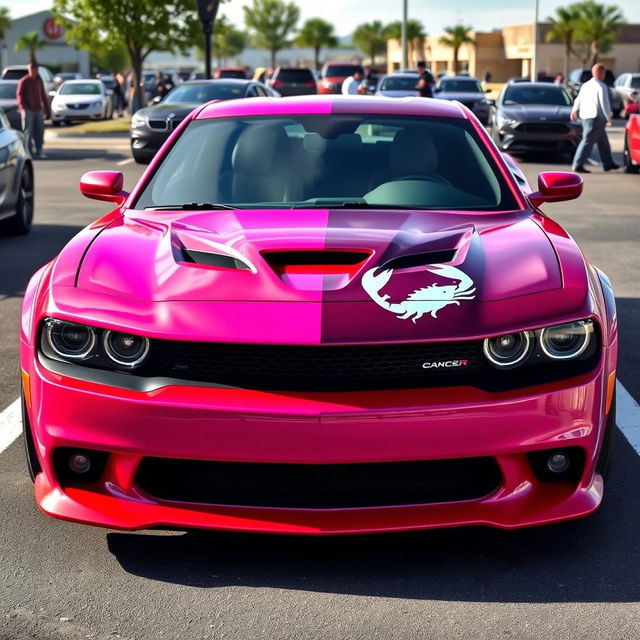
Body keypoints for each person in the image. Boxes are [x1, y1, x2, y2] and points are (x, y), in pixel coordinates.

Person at [570, 63, 620, 174]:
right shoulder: (601, 86)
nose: (604, 75)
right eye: (604, 72)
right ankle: (577, 164)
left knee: (603, 142)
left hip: (585, 116)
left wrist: (574, 110)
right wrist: (609, 118)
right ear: (600, 72)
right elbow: (604, 104)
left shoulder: (586, 85)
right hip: (595, 118)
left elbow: (578, 100)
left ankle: (608, 164)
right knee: (587, 141)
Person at [16, 62, 51, 159]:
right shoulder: (24, 81)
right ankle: (28, 152)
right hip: (28, 110)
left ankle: (39, 150)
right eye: (32, 70)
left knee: (40, 131)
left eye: (36, 70)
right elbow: (19, 96)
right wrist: (23, 108)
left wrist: (47, 110)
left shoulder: (39, 81)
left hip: (38, 109)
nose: (34, 72)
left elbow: (43, 96)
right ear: (29, 70)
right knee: (28, 132)